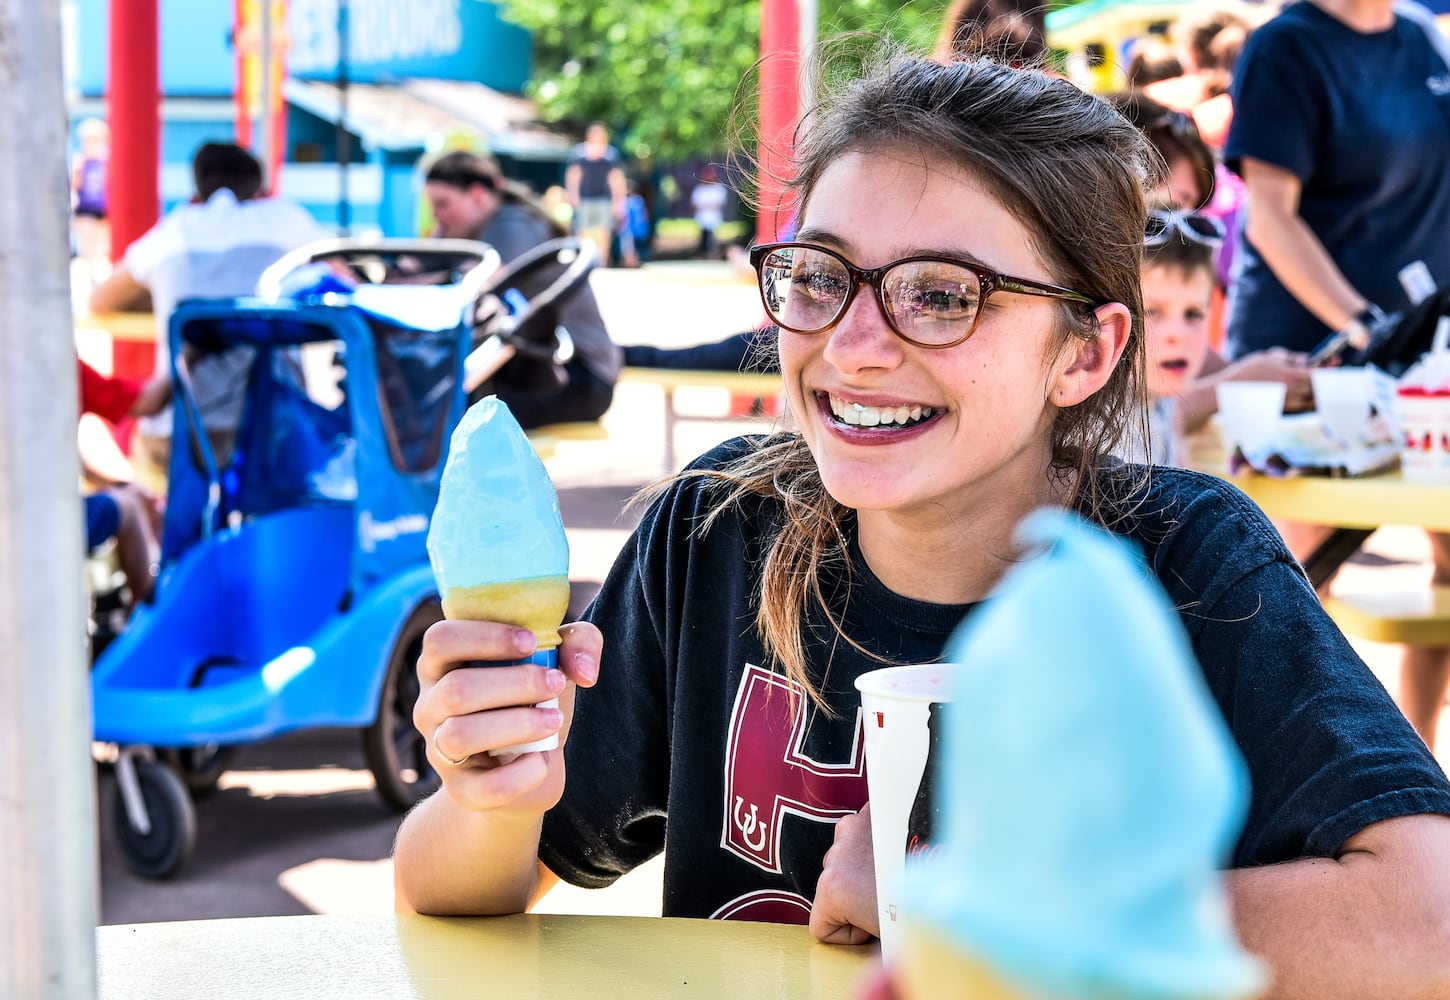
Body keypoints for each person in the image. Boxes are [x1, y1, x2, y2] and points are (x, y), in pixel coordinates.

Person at [394, 50, 1450, 995]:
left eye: (941, 295)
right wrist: (488, 792)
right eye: (817, 276)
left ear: (1083, 352)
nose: (852, 345)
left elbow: (1424, 922)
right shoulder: (714, 533)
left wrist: (959, 899)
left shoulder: (1181, 563)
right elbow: (459, 894)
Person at [1225, 0, 1450, 748]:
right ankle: (1292, 785)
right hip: (1305, 364)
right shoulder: (1286, 47)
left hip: (1422, 362)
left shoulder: (1420, 37)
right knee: (1285, 591)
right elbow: (1270, 218)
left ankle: (1414, 770)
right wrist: (1365, 326)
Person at [88, 141, 327, 472]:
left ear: (196, 188)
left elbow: (101, 301)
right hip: (273, 428)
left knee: (144, 478)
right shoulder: (287, 221)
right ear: (259, 188)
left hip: (179, 431)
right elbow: (344, 278)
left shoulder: (175, 231)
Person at [424, 150, 622, 427]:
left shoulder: (511, 226)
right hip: (543, 367)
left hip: (579, 376)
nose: (436, 215)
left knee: (442, 413)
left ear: (478, 195)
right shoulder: (484, 229)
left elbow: (476, 292)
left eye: (443, 204)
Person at [565, 123, 627, 267]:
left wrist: (619, 201)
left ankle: (601, 263)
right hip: (585, 199)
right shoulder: (579, 154)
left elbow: (616, 179)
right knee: (583, 232)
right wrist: (573, 196)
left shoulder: (610, 156)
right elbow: (574, 176)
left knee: (603, 233)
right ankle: (583, 263)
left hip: (603, 199)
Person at [71, 117, 112, 292]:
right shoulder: (80, 163)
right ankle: (88, 283)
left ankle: (99, 284)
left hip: (103, 211)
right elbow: (75, 186)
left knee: (102, 250)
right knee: (87, 251)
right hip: (85, 211)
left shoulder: (107, 164)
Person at [690, 165, 729, 259]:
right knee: (703, 237)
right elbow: (695, 204)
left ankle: (714, 254)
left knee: (714, 238)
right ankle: (703, 253)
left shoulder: (719, 189)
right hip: (702, 217)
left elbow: (719, 204)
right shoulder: (699, 189)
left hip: (714, 218)